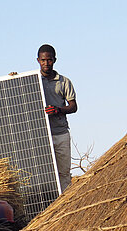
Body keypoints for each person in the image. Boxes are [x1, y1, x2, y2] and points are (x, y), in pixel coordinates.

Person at [37, 44, 77, 193]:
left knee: (64, 173)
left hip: (60, 132)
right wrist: (13, 79)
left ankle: (66, 204)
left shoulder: (64, 82)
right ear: (38, 60)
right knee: (43, 175)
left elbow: (73, 106)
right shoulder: (33, 81)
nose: (46, 63)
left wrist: (58, 110)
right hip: (41, 134)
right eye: (43, 60)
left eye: (49, 60)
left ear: (54, 60)